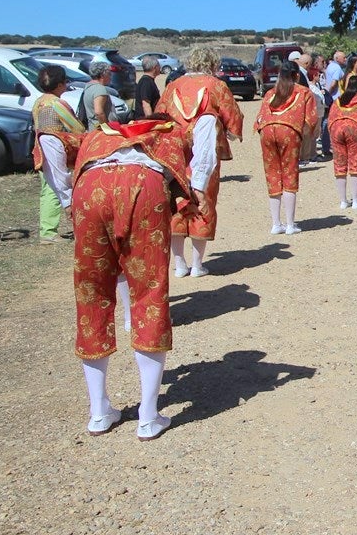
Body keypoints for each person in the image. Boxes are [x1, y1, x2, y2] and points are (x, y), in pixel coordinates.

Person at [71, 115, 207, 442]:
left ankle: (99, 410)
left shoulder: (98, 136)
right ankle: (148, 415)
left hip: (90, 188)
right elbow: (193, 165)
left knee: (91, 294)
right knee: (149, 292)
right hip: (143, 186)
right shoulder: (169, 135)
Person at [159, 46, 244, 279]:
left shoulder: (172, 87)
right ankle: (197, 264)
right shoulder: (216, 85)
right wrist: (231, 131)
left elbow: (159, 116)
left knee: (175, 202)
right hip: (205, 150)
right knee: (204, 199)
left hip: (174, 152)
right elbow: (232, 116)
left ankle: (179, 264)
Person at [255, 62, 319, 234]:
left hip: (267, 131)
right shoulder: (304, 92)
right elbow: (312, 119)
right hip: (289, 131)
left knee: (273, 175)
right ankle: (290, 224)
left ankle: (276, 224)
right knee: (289, 174)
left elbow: (260, 117)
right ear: (297, 75)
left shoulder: (270, 93)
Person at [32, 65, 85, 245]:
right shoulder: (57, 103)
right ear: (60, 84)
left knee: (49, 188)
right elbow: (77, 128)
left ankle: (48, 231)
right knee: (63, 184)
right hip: (54, 145)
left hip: (40, 145)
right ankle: (77, 227)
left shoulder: (38, 101)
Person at [328, 75, 357, 209]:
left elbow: (330, 116)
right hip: (354, 129)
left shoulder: (339, 100)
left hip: (336, 129)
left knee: (339, 165)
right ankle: (356, 201)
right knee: (354, 163)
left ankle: (343, 201)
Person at [80, 61, 114, 130]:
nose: (111, 76)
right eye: (109, 74)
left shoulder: (89, 86)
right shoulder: (100, 89)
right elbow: (99, 112)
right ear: (102, 75)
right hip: (100, 130)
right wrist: (107, 128)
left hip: (92, 127)